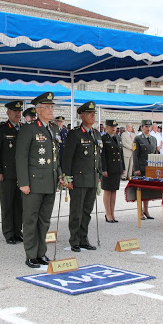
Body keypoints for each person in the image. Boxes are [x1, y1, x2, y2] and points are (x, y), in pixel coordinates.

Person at [16, 91, 63, 268]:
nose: (51, 110)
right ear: (38, 110)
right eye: (47, 107)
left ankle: (41, 252)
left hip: (49, 182)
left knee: (44, 220)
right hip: (34, 182)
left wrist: (60, 175)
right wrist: (24, 182)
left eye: (52, 107)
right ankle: (31, 254)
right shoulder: (29, 128)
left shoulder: (54, 129)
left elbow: (56, 156)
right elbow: (21, 157)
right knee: (30, 219)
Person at [62, 101, 102, 253]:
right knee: (76, 212)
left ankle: (84, 238)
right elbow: (67, 158)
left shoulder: (96, 134)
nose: (93, 116)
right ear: (82, 115)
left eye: (94, 114)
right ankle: (74, 240)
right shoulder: (75, 133)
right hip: (78, 180)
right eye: (90, 113)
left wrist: (99, 174)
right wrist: (67, 178)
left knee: (87, 211)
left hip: (92, 179)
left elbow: (98, 156)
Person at [0, 101, 24, 244]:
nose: (17, 114)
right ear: (8, 113)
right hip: (6, 173)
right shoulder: (2, 129)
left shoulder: (23, 128)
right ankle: (8, 233)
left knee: (19, 204)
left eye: (19, 111)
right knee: (7, 204)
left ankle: (17, 231)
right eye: (14, 111)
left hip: (21, 174)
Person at [132, 120, 157, 219]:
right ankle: (140, 212)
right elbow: (135, 154)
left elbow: (155, 154)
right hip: (141, 168)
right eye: (146, 126)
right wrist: (136, 168)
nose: (148, 128)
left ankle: (146, 210)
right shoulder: (138, 139)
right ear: (142, 127)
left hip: (150, 168)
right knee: (140, 191)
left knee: (147, 190)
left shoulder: (154, 139)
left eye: (149, 126)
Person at [100, 120, 124, 223]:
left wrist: (122, 167)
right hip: (108, 168)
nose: (113, 128)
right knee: (108, 191)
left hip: (116, 168)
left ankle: (112, 213)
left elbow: (120, 154)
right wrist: (103, 169)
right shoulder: (103, 139)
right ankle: (107, 213)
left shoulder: (118, 137)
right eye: (111, 126)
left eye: (115, 126)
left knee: (114, 191)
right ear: (107, 127)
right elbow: (102, 156)